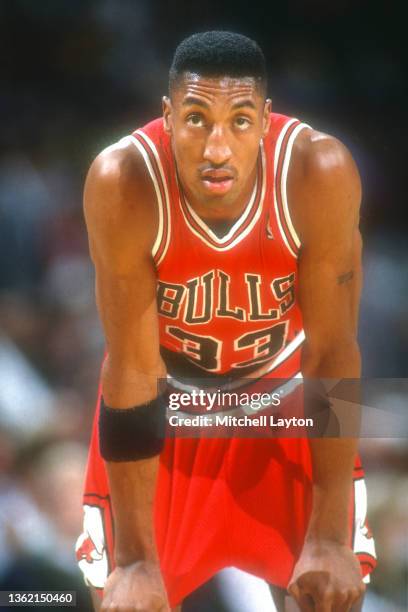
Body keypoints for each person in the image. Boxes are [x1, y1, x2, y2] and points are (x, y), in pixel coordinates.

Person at [76, 31, 377, 612]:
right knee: (128, 599)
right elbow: (132, 368)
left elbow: (334, 355)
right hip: (168, 403)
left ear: (265, 120)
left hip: (281, 397)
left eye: (239, 121)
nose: (217, 147)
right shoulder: (123, 180)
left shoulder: (318, 170)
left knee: (331, 592)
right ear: (167, 117)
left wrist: (330, 537)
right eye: (196, 118)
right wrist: (136, 561)